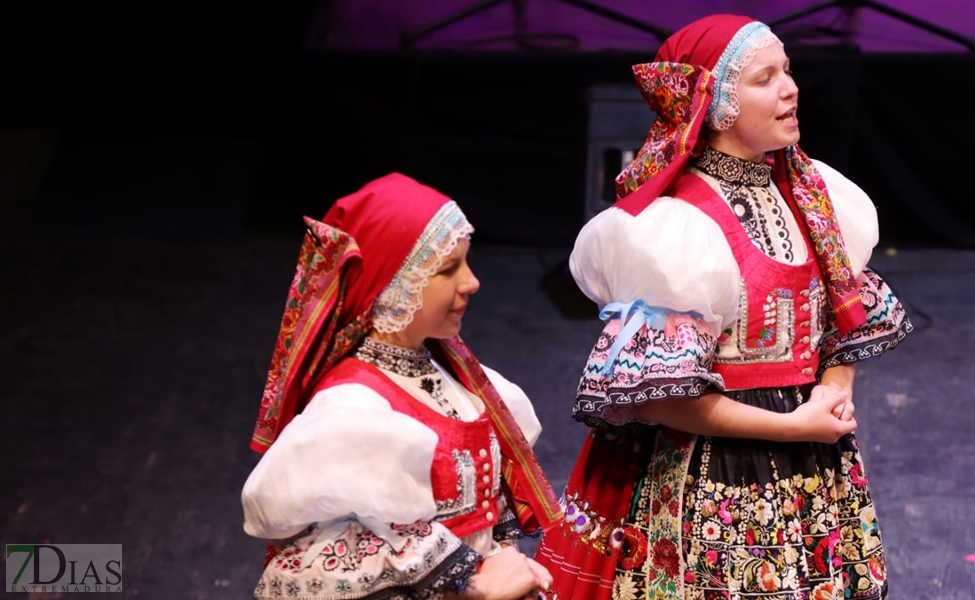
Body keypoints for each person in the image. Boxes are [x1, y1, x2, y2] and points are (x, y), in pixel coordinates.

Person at [533, 14, 913, 600]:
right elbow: (663, 401)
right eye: (765, 78)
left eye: (788, 71)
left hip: (810, 451)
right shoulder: (674, 228)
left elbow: (845, 319)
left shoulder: (815, 194)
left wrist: (833, 393)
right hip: (715, 469)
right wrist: (788, 427)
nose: (790, 88)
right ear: (714, 105)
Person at [241, 173, 561, 600]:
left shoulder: (463, 380)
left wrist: (504, 557)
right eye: (449, 269)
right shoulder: (354, 407)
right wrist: (473, 582)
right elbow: (342, 551)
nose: (471, 282)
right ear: (394, 287)